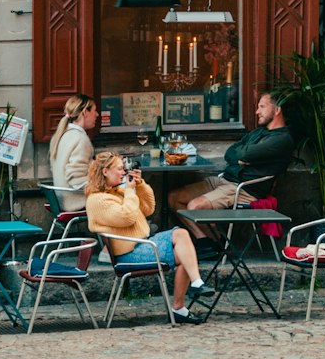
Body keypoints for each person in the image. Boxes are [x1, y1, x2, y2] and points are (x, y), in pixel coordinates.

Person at [85, 150, 206, 323]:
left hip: (141, 245)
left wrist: (140, 186)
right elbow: (128, 217)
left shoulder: (116, 192)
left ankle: (184, 301)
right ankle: (192, 288)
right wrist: (130, 191)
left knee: (186, 253)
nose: (123, 173)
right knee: (181, 235)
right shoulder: (97, 200)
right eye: (119, 169)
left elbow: (148, 209)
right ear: (105, 172)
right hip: (128, 254)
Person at [170, 92, 294, 218]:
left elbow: (246, 154)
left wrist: (244, 155)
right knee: (174, 198)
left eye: (262, 107)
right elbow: (230, 153)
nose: (257, 112)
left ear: (277, 110)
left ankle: (209, 238)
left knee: (194, 207)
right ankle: (209, 238)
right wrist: (241, 158)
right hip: (225, 180)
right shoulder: (258, 132)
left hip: (242, 189)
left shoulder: (281, 139)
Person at [47, 94, 99, 210]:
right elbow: (76, 180)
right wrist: (102, 184)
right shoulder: (80, 139)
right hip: (76, 201)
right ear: (85, 112)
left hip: (62, 200)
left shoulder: (61, 135)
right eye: (94, 110)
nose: (97, 114)